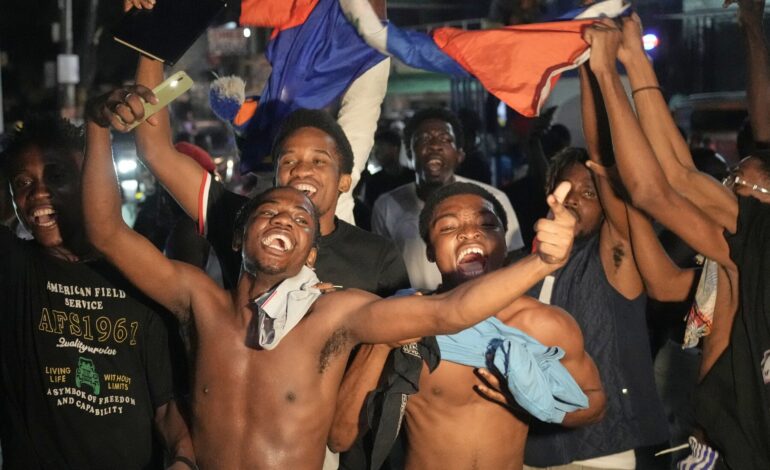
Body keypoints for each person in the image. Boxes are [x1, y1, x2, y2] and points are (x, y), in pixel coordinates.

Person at [81, 86, 577, 469]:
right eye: (269, 212)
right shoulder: (199, 300)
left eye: (300, 220)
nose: (284, 221)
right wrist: (97, 127)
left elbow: (445, 312)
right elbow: (105, 232)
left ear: (311, 254)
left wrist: (541, 262)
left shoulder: (334, 314)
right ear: (238, 237)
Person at [584, 11, 770, 469]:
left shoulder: (746, 246)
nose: (728, 189)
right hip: (714, 446)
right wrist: (629, 61)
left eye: (739, 184)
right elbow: (674, 177)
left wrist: (612, 71)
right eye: (729, 178)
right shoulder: (745, 249)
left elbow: (664, 185)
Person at [331, 182, 606, 470]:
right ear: (430, 251)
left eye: (487, 225)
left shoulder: (545, 325)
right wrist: (381, 341)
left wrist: (537, 403)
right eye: (448, 228)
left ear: (505, 241)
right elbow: (340, 438)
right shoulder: (402, 320)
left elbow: (595, 404)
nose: (469, 232)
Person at [0, 114, 193, 469]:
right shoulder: (14, 271)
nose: (38, 192)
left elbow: (166, 406)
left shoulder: (141, 278)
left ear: (90, 178)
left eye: (56, 175)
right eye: (22, 182)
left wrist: (184, 457)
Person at [133, 57, 409, 298]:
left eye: (318, 161)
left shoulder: (377, 256)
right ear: (275, 174)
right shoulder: (242, 222)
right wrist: (153, 47)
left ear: (344, 181)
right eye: (289, 160)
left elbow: (405, 346)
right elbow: (155, 150)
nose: (302, 170)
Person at [521, 53, 674, 467]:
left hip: (606, 447)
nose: (575, 199)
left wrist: (590, 66)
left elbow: (606, 157)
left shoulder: (613, 254)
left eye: (591, 194)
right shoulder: (520, 264)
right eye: (567, 188)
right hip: (534, 446)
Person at [372, 108, 524, 290]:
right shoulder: (386, 206)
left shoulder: (492, 200)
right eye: (424, 139)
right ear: (410, 154)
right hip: (416, 312)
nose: (435, 145)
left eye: (445, 139)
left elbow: (513, 260)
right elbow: (382, 270)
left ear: (460, 154)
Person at [358, 129, 414, 209]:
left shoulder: (412, 178)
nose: (376, 153)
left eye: (381, 148)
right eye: (375, 150)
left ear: (395, 149)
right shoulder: (373, 181)